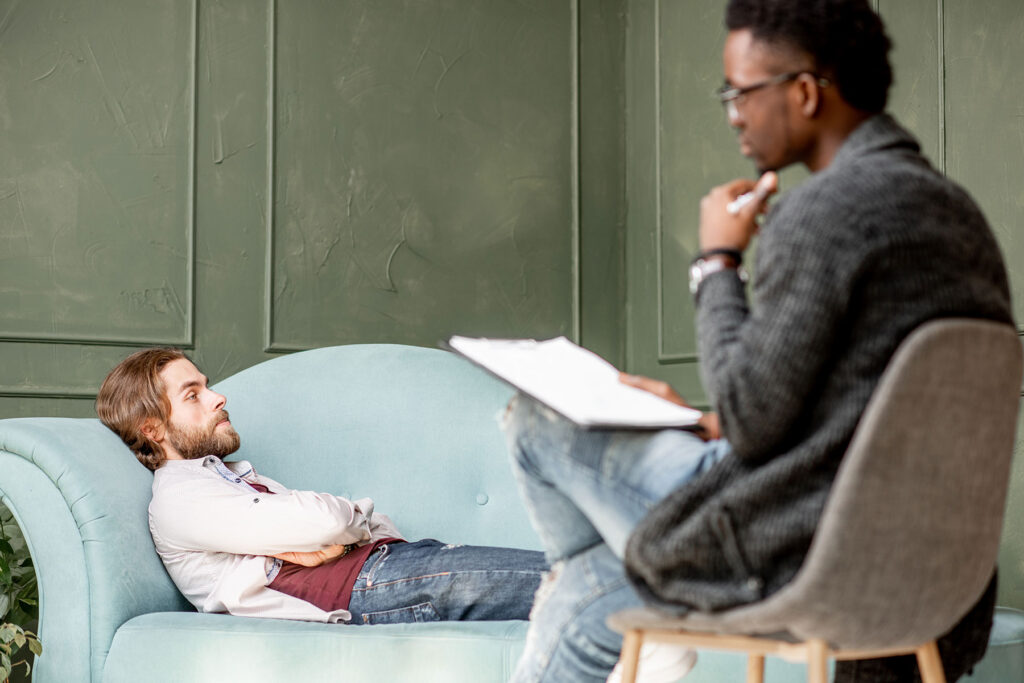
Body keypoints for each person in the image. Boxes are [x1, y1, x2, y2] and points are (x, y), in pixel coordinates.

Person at [502, 1, 1013, 682]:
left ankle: (650, 585)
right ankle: (631, 580)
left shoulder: (824, 213)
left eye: (742, 91)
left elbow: (753, 421)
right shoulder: (957, 217)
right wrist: (703, 419)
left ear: (804, 92)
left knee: (535, 418)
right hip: (931, 573)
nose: (733, 111)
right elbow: (862, 411)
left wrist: (716, 261)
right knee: (585, 589)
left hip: (799, 550)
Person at [96, 347, 547, 626]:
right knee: (574, 584)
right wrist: (339, 527)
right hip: (367, 586)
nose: (218, 398)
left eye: (206, 386)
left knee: (575, 580)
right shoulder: (181, 500)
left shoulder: (227, 477)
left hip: (391, 565)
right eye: (192, 395)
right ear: (153, 430)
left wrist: (329, 536)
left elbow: (350, 527)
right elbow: (328, 520)